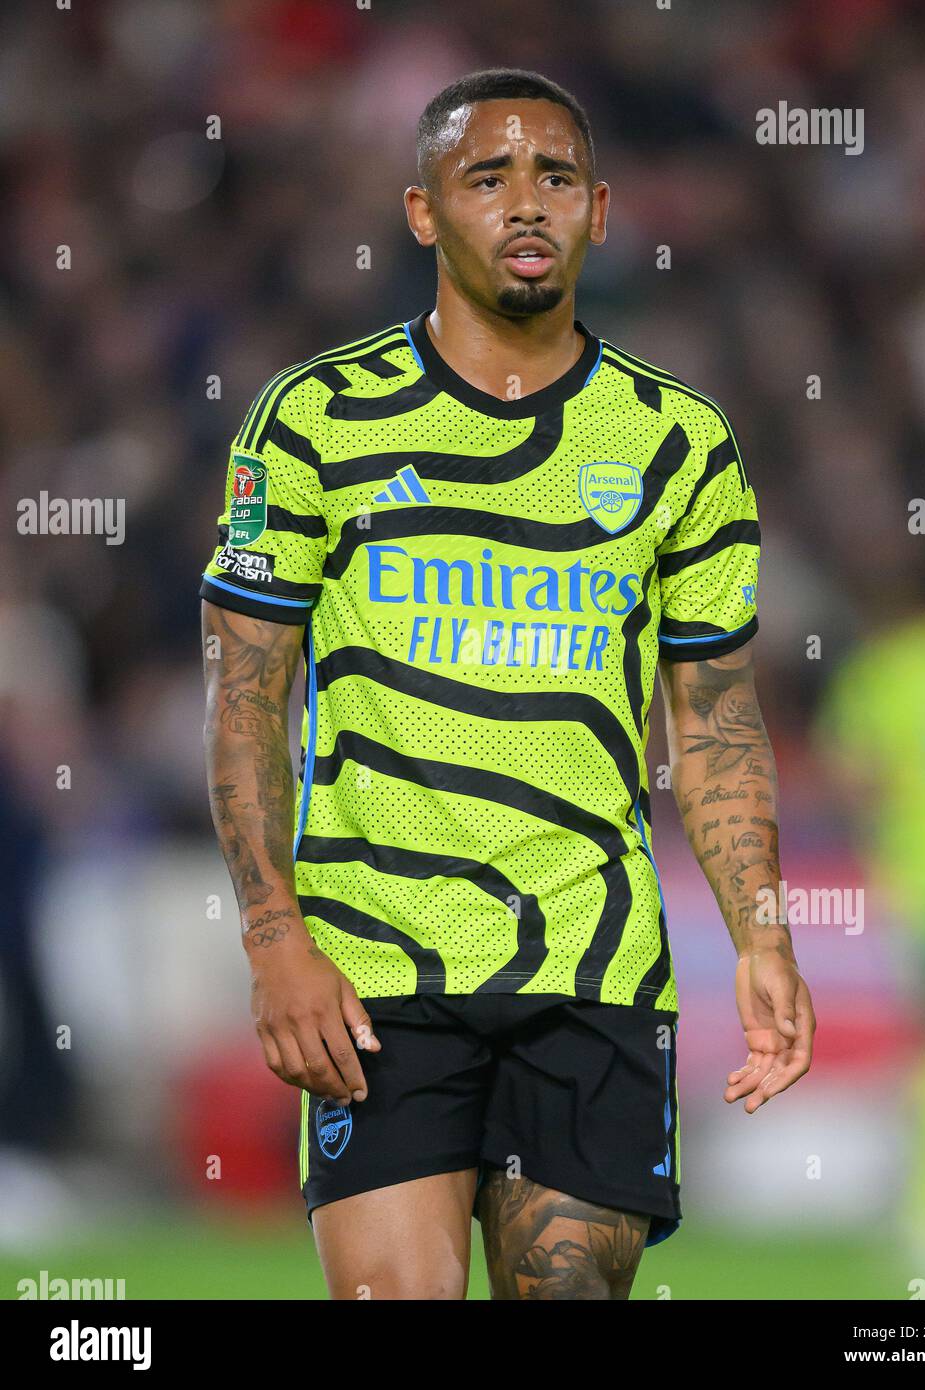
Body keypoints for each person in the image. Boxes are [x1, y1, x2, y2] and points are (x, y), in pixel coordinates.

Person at [199, 68, 815, 1301]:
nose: (524, 202)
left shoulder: (676, 441)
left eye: (553, 178)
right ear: (424, 212)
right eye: (487, 177)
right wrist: (274, 937)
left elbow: (714, 720)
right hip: (375, 972)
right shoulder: (317, 420)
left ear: (599, 209)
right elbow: (245, 696)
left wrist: (762, 930)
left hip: (590, 972)